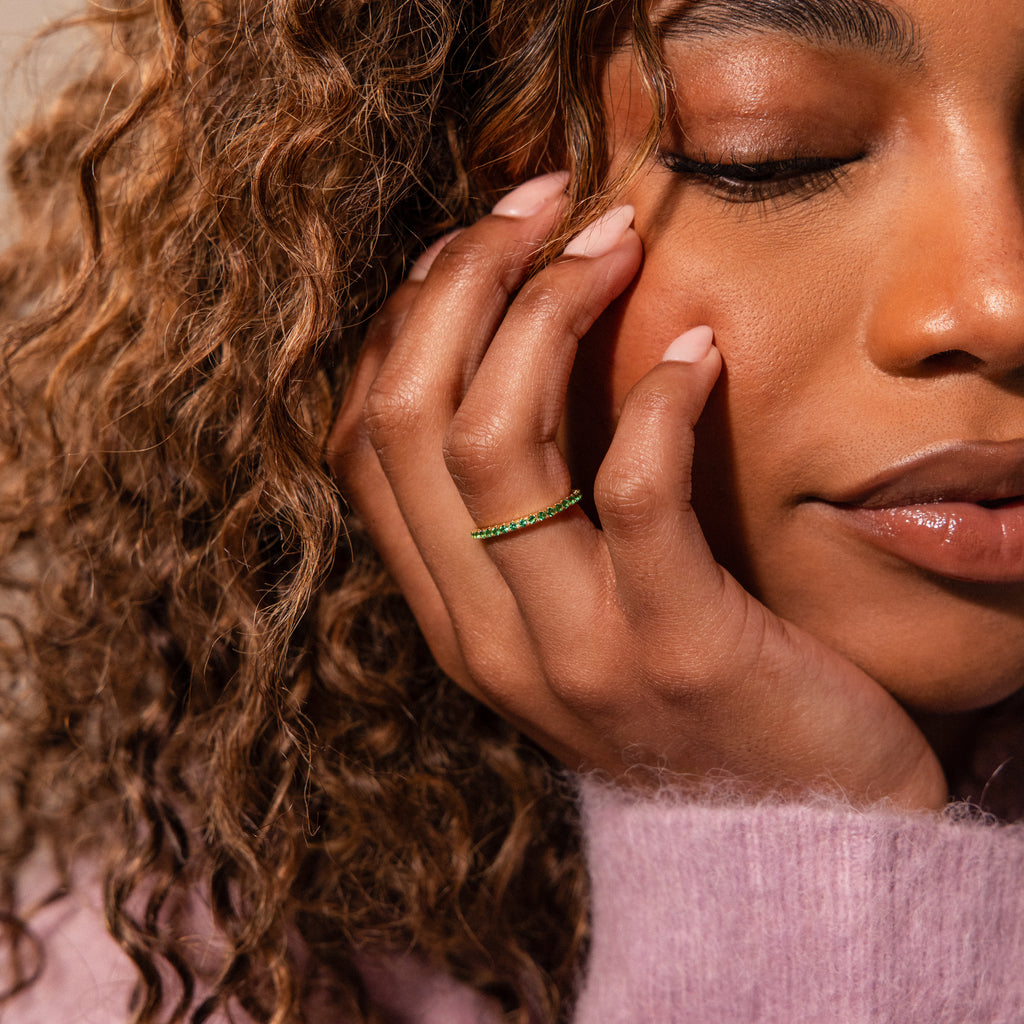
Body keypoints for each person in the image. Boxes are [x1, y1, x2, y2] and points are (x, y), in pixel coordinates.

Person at [5, 0, 1024, 1020]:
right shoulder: (169, 981)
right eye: (767, 153)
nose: (998, 303)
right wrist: (805, 889)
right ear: (418, 221)